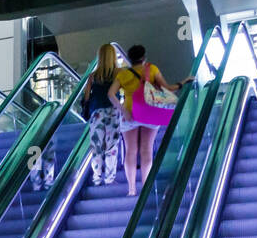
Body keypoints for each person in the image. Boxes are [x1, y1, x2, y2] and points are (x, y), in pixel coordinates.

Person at [110, 45, 189, 195]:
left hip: (130, 114)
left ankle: (132, 189)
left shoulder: (123, 74)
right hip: (150, 113)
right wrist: (183, 82)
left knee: (130, 151)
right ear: (144, 56)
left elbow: (110, 94)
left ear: (129, 58)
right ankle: (146, 187)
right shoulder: (151, 69)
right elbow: (168, 88)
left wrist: (123, 110)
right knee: (146, 150)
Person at [81, 43, 123, 187]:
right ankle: (110, 178)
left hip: (96, 114)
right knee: (111, 147)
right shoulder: (119, 73)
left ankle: (97, 178)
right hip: (113, 112)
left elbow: (86, 98)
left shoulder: (93, 76)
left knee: (96, 147)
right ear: (113, 56)